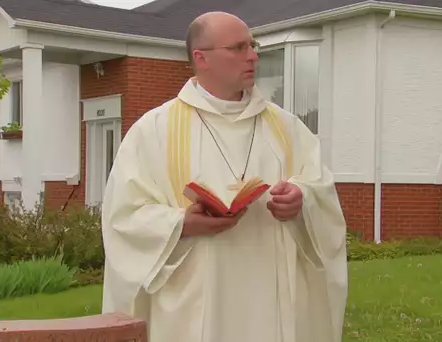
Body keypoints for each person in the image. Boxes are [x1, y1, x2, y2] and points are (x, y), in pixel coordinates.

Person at [100, 11, 348, 342]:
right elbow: (123, 217)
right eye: (238, 47)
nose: (253, 56)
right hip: (196, 301)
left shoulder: (286, 128)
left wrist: (302, 198)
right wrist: (181, 224)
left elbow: (321, 189)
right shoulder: (154, 131)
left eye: (252, 45)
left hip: (272, 295)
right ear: (201, 58)